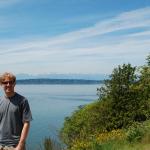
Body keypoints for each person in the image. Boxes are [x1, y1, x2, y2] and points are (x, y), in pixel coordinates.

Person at [0, 72, 32, 150]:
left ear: (14, 83)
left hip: (15, 146)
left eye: (10, 82)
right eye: (5, 82)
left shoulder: (22, 101)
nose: (8, 84)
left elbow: (26, 123)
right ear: (1, 84)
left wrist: (20, 145)